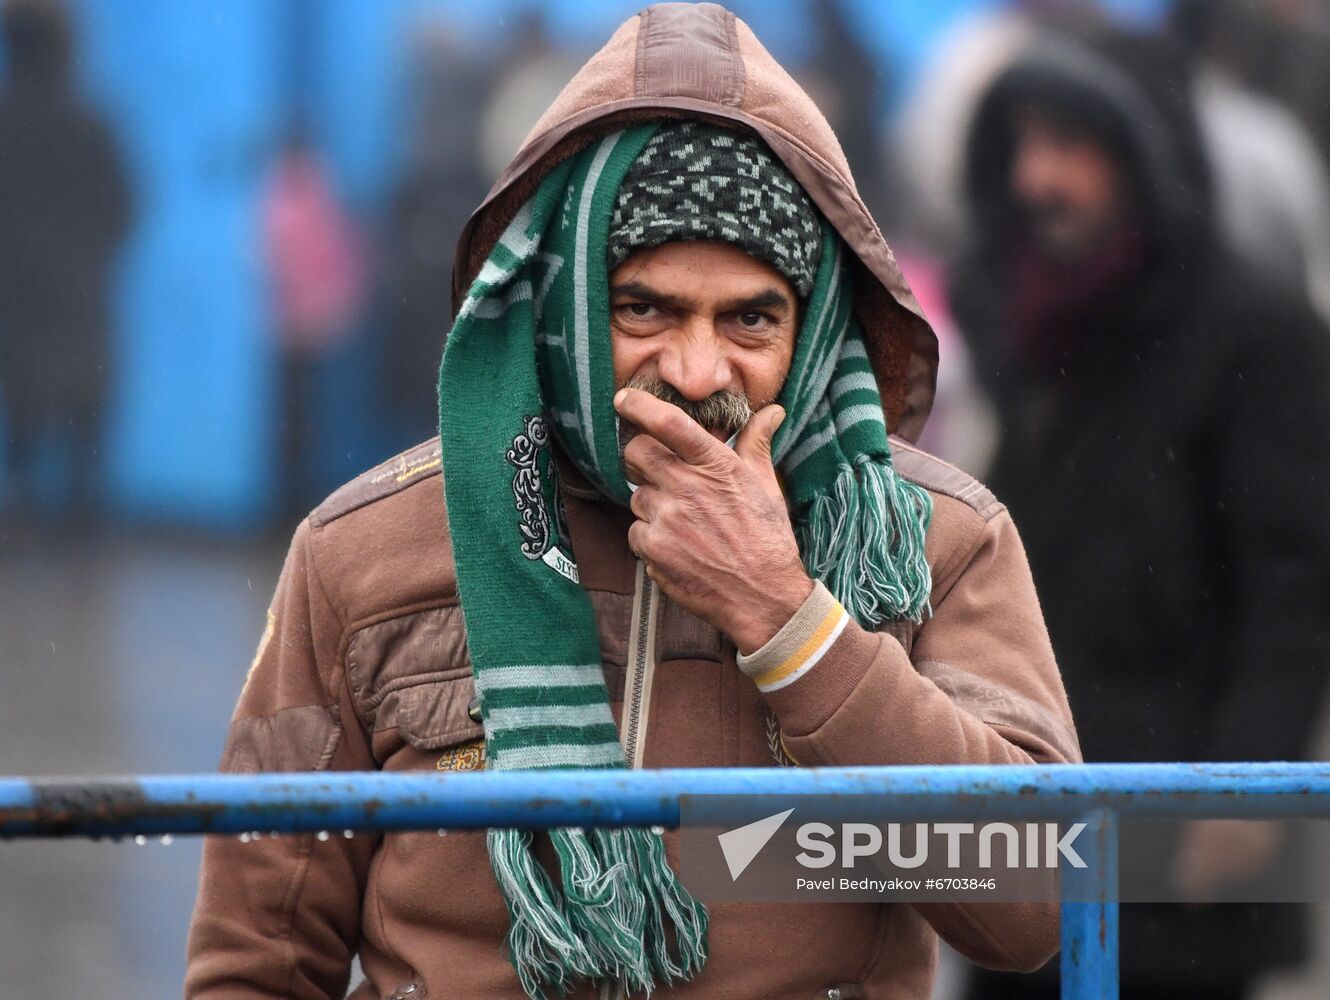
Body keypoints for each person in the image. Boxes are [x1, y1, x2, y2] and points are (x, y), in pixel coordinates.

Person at [186, 5, 1079, 998]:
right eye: (644, 307)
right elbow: (257, 957)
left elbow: (1032, 904)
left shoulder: (930, 541)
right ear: (560, 307)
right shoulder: (366, 550)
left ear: (816, 327)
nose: (697, 372)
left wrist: (788, 621)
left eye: (750, 318)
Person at [951, 26, 1330, 1000]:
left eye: (1071, 144)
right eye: (1026, 142)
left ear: (1143, 155)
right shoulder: (1031, 311)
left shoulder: (1256, 326)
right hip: (1031, 825)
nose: (1039, 177)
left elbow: (1292, 587)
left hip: (1180, 838)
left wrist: (1239, 794)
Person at [0, 0, 131, 521]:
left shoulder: (6, 122)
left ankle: (24, 514)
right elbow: (125, 207)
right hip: (78, 292)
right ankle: (81, 522)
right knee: (85, 407)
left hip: (17, 294)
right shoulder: (90, 124)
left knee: (24, 410)